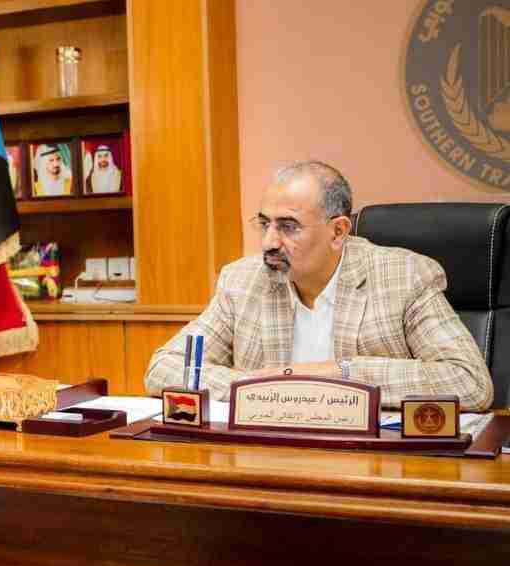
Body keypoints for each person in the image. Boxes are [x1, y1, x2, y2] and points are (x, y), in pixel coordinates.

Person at [144, 161, 493, 411]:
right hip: (270, 458)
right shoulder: (244, 281)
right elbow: (166, 367)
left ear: (338, 231)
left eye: (288, 227)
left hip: (372, 464)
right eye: (264, 224)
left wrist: (339, 375)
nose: (268, 242)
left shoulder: (403, 277)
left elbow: (468, 381)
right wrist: (262, 389)